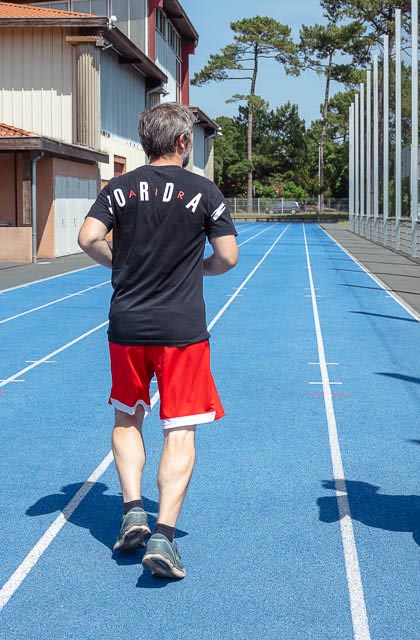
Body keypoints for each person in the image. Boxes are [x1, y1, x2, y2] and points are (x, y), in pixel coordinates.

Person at [78, 102, 238, 579]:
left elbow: (88, 237)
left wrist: (121, 265)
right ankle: (164, 537)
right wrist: (199, 268)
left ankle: (132, 510)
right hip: (181, 331)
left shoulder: (119, 188)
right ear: (183, 142)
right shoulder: (204, 191)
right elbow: (228, 257)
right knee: (179, 429)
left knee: (127, 417)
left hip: (127, 325)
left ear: (145, 140)